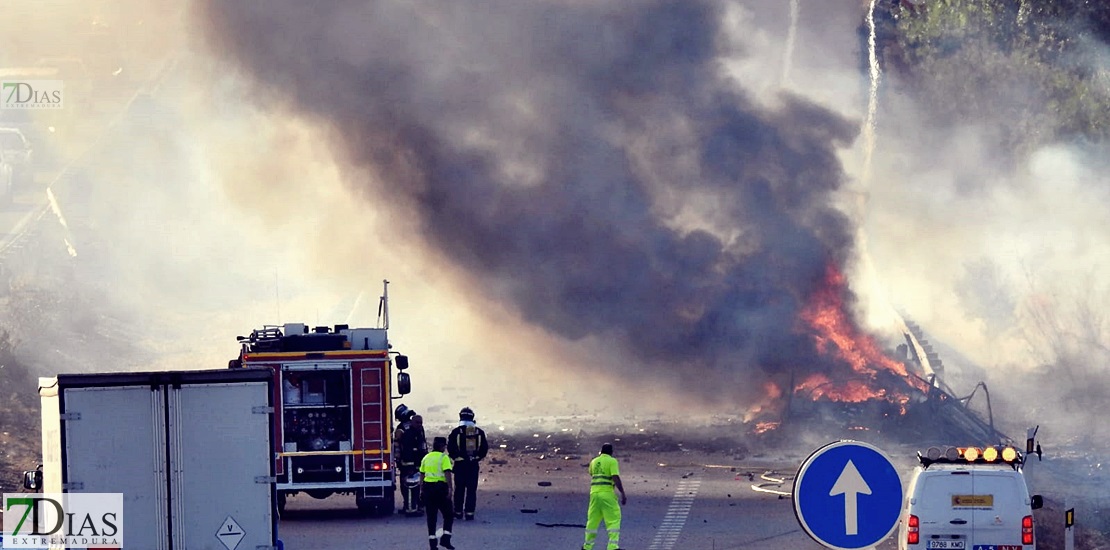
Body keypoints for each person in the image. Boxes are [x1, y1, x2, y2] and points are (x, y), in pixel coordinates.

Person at [582, 443, 627, 550]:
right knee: (614, 519)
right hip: (607, 494)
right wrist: (622, 493)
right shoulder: (612, 461)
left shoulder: (594, 461)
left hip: (594, 494)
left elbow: (591, 473)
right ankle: (612, 547)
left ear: (600, 451)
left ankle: (587, 546)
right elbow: (615, 477)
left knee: (592, 521)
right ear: (611, 452)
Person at [447, 406, 489, 521]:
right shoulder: (479, 432)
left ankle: (458, 512)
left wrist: (458, 458)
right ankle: (470, 513)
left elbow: (450, 448)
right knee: (471, 490)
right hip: (473, 466)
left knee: (459, 489)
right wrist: (475, 458)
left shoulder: (456, 432)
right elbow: (484, 449)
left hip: (460, 466)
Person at [420, 436, 455, 550]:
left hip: (428, 489)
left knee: (431, 517)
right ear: (443, 446)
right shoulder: (444, 458)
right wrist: (450, 488)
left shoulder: (426, 457)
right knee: (449, 514)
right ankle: (446, 539)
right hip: (440, 489)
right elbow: (447, 473)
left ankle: (432, 543)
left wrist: (422, 489)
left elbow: (422, 474)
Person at [392, 404, 419, 515]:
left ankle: (409, 507)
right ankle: (416, 505)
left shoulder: (400, 429)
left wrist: (397, 459)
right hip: (418, 460)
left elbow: (397, 446)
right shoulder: (417, 426)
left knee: (406, 485)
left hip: (406, 462)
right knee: (416, 483)